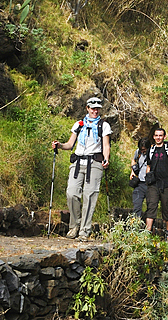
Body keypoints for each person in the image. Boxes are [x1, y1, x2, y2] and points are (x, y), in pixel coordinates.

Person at [52, 96, 111, 240]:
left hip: (95, 163)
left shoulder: (104, 126)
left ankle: (84, 231)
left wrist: (106, 158)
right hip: (78, 162)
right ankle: (74, 226)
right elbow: (70, 145)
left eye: (97, 108)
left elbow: (106, 145)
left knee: (89, 196)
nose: (95, 111)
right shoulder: (78, 125)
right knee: (71, 193)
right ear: (87, 108)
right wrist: (59, 145)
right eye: (92, 108)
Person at [144, 126, 168, 238]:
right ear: (154, 137)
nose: (158, 138)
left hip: (167, 184)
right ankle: (148, 231)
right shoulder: (151, 150)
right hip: (153, 184)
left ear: (164, 136)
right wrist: (147, 178)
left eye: (160, 135)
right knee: (151, 206)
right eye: (156, 136)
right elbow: (148, 166)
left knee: (167, 209)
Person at [129, 137, 151, 221]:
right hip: (140, 183)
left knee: (151, 207)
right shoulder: (138, 152)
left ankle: (147, 225)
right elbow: (134, 160)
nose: (143, 151)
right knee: (137, 205)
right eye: (141, 149)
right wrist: (133, 171)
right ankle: (135, 224)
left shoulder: (153, 153)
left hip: (150, 184)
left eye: (144, 150)